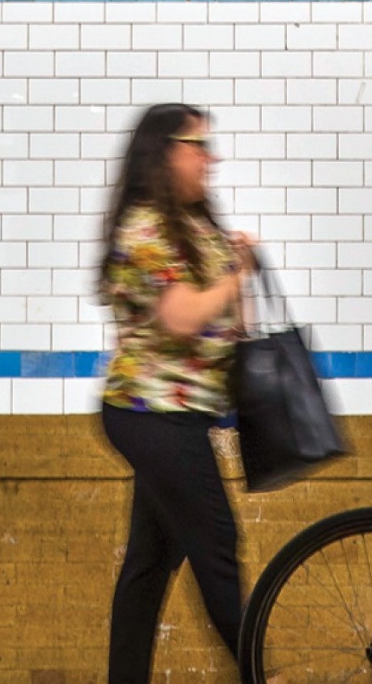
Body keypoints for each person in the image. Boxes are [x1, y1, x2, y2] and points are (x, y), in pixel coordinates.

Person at [98, 103, 256, 682]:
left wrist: (238, 271)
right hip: (150, 414)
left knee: (149, 562)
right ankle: (262, 671)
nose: (208, 160)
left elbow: (233, 326)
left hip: (184, 415)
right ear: (163, 154)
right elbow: (183, 317)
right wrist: (236, 274)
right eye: (197, 146)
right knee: (217, 543)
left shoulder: (197, 227)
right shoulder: (143, 228)